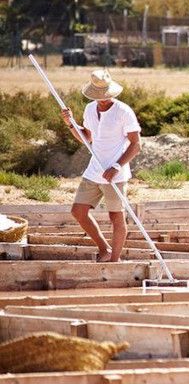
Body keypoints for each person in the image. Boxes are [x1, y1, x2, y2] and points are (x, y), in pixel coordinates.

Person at [61, 69, 141, 262]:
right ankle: (104, 249)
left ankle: (114, 260)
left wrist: (116, 166)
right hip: (94, 170)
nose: (103, 99)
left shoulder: (123, 111)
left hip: (115, 175)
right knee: (78, 212)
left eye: (106, 95)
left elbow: (136, 145)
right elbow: (86, 138)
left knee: (116, 218)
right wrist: (70, 124)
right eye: (99, 96)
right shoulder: (90, 109)